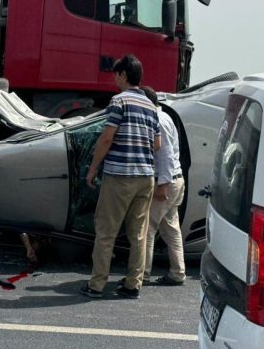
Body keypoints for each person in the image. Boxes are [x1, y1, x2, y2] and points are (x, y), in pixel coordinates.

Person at [79, 54, 160, 300]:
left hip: (120, 176)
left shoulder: (118, 102)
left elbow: (106, 138)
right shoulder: (150, 105)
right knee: (138, 234)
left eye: (116, 74)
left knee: (106, 231)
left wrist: (93, 168)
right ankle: (133, 284)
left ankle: (97, 284)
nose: (115, 78)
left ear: (124, 75)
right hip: (146, 176)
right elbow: (156, 144)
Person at [140, 86, 186, 286]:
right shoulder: (165, 117)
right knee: (170, 229)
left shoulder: (158, 121)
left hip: (167, 181)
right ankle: (178, 273)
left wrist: (163, 185)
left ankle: (142, 274)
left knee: (148, 228)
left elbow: (165, 155)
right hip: (176, 179)